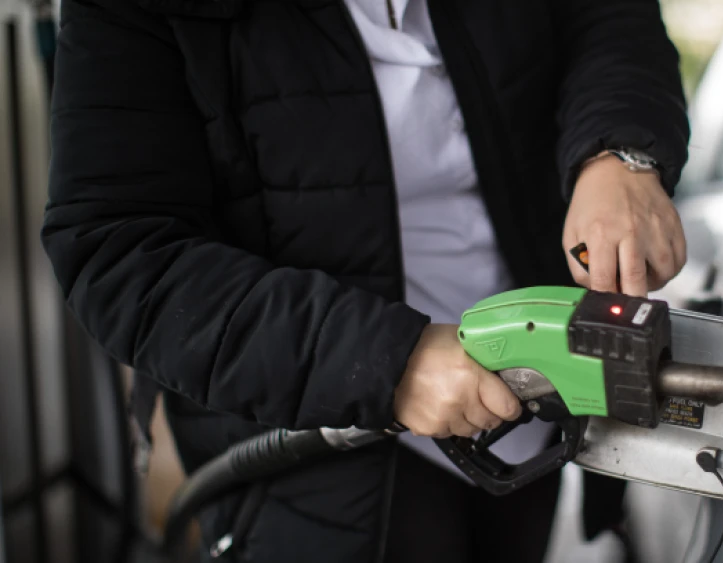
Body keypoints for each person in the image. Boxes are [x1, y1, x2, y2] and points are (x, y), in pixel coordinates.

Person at [41, 0, 689, 561]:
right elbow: (120, 251)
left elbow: (608, 19)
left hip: (529, 433)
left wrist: (618, 153)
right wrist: (387, 363)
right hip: (308, 467)